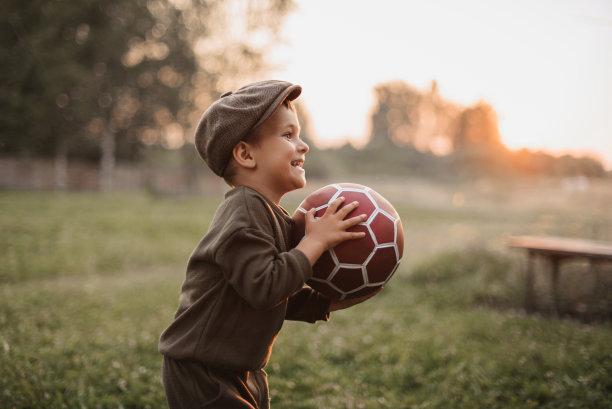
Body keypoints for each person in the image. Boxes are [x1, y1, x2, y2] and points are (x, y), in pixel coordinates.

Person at [158, 80, 377, 409]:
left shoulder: (273, 215)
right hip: (202, 370)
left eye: (299, 134)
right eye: (288, 136)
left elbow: (275, 297)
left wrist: (327, 302)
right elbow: (265, 286)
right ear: (245, 154)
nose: (303, 146)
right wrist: (315, 241)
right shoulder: (243, 213)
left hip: (241, 369)